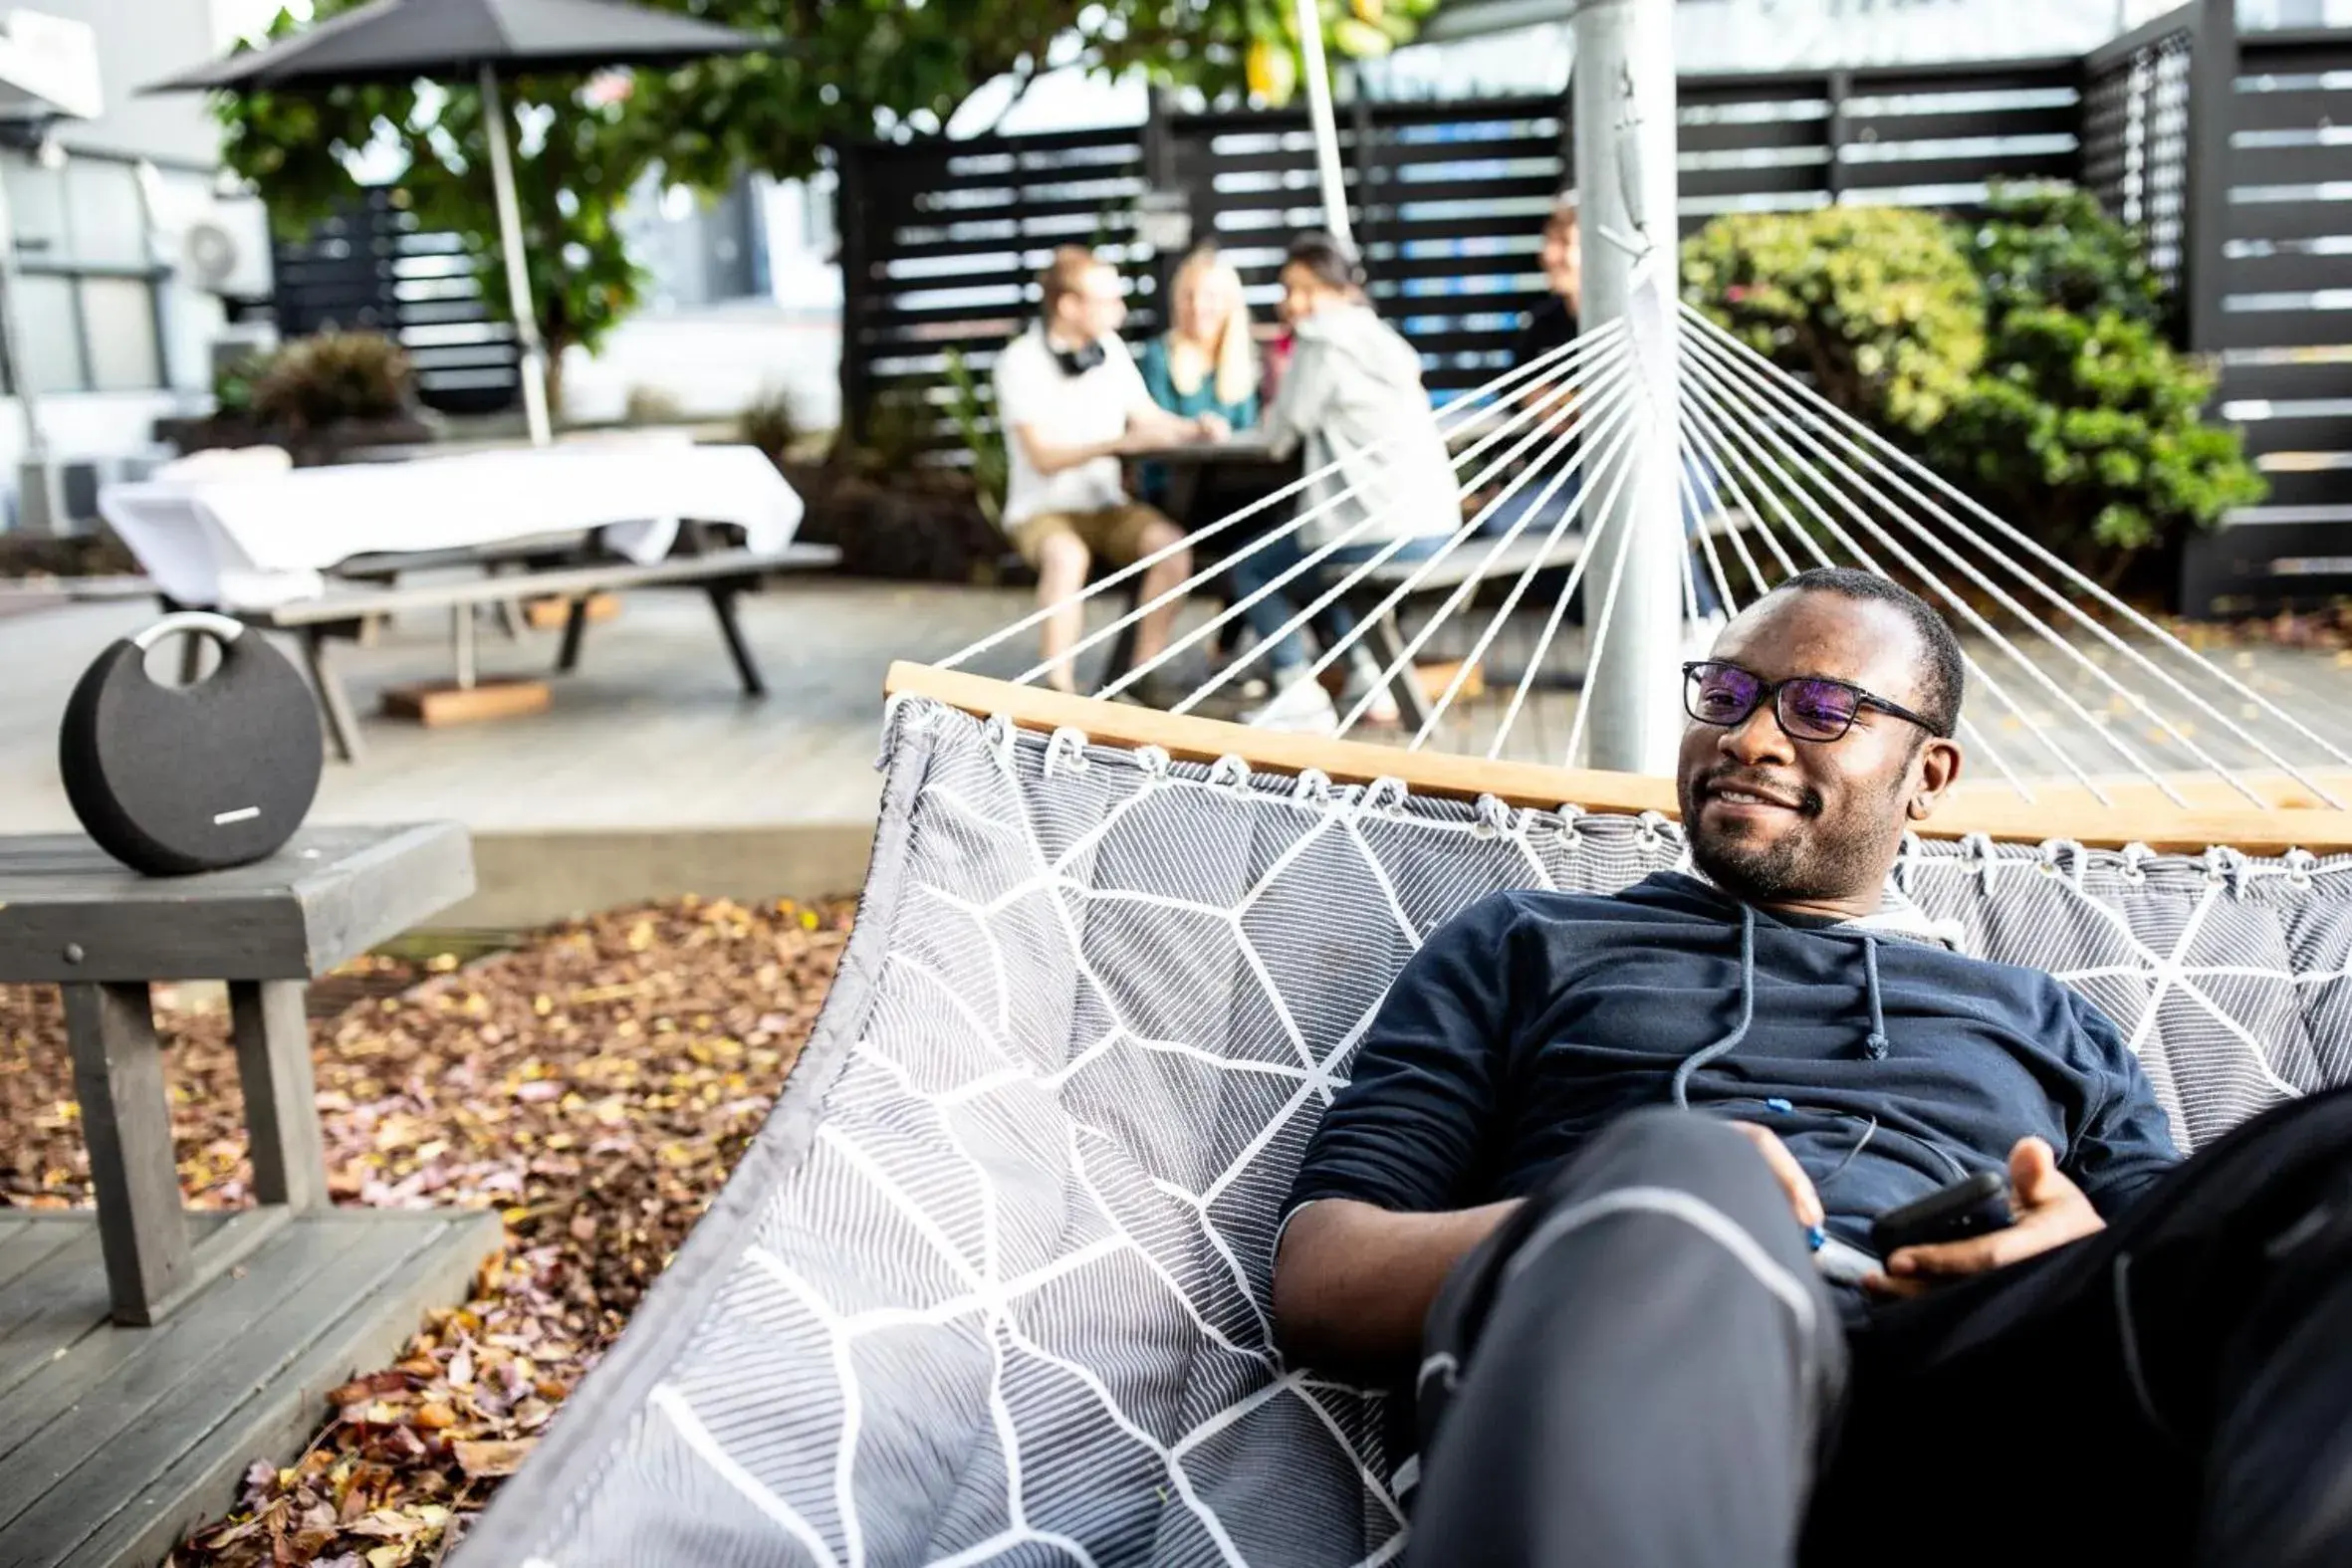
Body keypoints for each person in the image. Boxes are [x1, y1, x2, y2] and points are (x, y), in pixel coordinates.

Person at [1274, 567, 2352, 1567]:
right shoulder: (1525, 942)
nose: (1748, 736)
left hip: (1982, 1396)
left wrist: (2079, 1244)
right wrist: (1625, 1198)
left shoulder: (2047, 1017)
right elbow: (1323, 1279)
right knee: (1690, 1174)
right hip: (1638, 1375)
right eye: (1728, 693)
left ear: (1927, 775)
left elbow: (2181, 1278)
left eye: (1822, 710)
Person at [1232, 232, 1460, 732]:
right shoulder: (1385, 340)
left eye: (1298, 289)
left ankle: (1297, 689)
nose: (1289, 303)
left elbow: (1278, 438)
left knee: (1251, 569)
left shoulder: (1320, 342)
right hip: (1436, 524)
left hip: (1373, 530)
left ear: (1326, 290)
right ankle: (1366, 679)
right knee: (1331, 567)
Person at [992, 246, 1216, 701]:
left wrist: (1195, 427)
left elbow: (1147, 418)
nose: (1120, 309)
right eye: (1107, 300)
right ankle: (1057, 690)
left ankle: (1139, 676)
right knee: (1066, 558)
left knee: (1173, 550)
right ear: (1069, 305)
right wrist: (1114, 445)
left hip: (1107, 505)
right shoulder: (1018, 362)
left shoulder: (1109, 352)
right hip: (1044, 511)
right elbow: (1042, 458)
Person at [1139, 245, 1259, 440]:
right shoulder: (1158, 355)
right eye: (1188, 296)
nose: (1197, 306)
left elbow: (1248, 430)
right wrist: (1197, 429)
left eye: (1210, 296)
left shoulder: (1242, 358)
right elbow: (1154, 428)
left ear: (1230, 303)